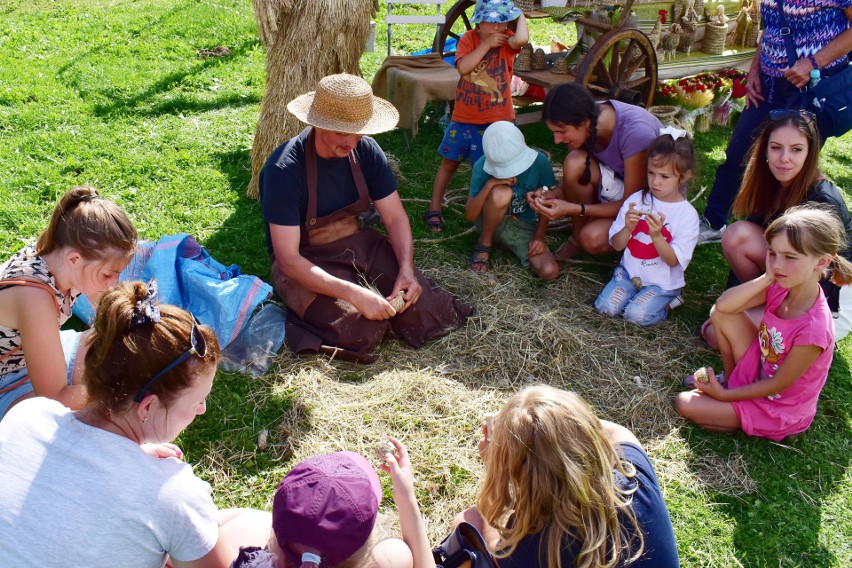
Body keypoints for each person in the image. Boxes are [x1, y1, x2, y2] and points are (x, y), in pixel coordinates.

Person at [0, 280, 269, 567]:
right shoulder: (174, 496)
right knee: (255, 524)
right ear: (148, 406)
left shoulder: (26, 416)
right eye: (196, 402)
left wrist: (136, 458)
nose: (201, 410)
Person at [259, 73, 472, 364]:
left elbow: (395, 218)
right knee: (358, 329)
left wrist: (406, 271)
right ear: (318, 123)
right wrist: (355, 295)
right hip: (308, 262)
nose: (353, 141)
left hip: (361, 247)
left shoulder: (366, 151)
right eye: (343, 132)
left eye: (359, 131)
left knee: (426, 311)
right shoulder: (284, 169)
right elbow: (288, 260)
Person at [676, 206, 852, 441]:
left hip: (778, 407)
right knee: (722, 315)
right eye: (773, 253)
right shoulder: (781, 285)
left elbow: (779, 384)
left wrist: (722, 398)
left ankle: (739, 408)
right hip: (759, 370)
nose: (778, 264)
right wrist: (767, 278)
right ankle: (731, 384)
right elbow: (724, 307)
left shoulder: (815, 328)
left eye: (790, 257)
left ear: (821, 263)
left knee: (684, 403)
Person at [455, 385, 680, 568]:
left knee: (468, 521)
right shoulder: (634, 479)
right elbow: (619, 432)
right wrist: (562, 422)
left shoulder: (538, 542)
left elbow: (495, 549)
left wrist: (495, 465)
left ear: (521, 474)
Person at [696, 1, 852, 244]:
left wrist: (813, 63)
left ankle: (780, 238)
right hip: (769, 84)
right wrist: (755, 70)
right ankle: (714, 222)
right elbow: (773, 27)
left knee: (789, 166)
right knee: (738, 152)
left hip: (810, 87)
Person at [703, 109, 852, 343]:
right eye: (776, 147)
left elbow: (823, 272)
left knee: (717, 334)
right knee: (736, 236)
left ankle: (773, 317)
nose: (784, 158)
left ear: (810, 153)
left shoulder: (823, 201)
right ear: (765, 150)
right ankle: (765, 307)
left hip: (825, 296)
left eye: (796, 149)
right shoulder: (769, 182)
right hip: (786, 275)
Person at [0, 185, 137, 420]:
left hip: (21, 360)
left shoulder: (55, 256)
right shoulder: (35, 299)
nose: (114, 284)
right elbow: (54, 397)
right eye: (107, 274)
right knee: (79, 419)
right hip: (6, 380)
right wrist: (120, 392)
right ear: (74, 258)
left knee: (119, 355)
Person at [230, 439, 434, 568]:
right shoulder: (385, 560)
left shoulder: (248, 564)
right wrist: (406, 498)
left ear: (276, 534)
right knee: (395, 553)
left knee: (240, 521)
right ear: (363, 551)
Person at [425, 0, 528, 233]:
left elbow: (521, 39)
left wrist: (519, 13)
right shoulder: (468, 39)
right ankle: (434, 207)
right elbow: (463, 68)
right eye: (490, 22)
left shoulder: (509, 39)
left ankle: (485, 211)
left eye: (502, 21)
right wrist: (487, 44)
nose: (496, 28)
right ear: (478, 22)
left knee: (488, 168)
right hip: (463, 118)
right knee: (449, 163)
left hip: (497, 122)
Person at [527, 83, 663, 260]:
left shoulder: (636, 134)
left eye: (561, 132)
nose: (557, 140)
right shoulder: (588, 117)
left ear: (584, 123)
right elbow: (575, 174)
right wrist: (552, 194)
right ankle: (576, 238)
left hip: (650, 201)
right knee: (574, 161)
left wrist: (575, 209)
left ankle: (640, 246)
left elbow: (633, 204)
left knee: (592, 239)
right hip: (618, 186)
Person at [595, 134, 699, 326]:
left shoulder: (687, 215)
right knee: (605, 308)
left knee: (636, 316)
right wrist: (627, 228)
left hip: (661, 284)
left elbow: (673, 260)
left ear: (684, 177)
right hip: (629, 274)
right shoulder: (637, 200)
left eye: (665, 176)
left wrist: (657, 236)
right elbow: (617, 245)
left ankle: (669, 303)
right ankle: (633, 294)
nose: (655, 182)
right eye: (651, 173)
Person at [465, 121, 558, 278]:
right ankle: (484, 242)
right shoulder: (481, 165)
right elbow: (470, 216)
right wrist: (490, 185)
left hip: (521, 226)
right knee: (502, 193)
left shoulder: (540, 162)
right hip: (488, 221)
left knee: (549, 270)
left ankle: (506, 242)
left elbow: (548, 200)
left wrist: (539, 236)